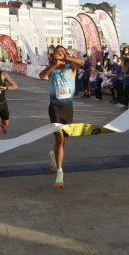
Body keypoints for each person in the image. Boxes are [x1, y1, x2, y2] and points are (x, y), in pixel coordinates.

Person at [39, 46, 84, 188]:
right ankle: (60, 171)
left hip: (68, 109)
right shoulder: (52, 69)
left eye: (62, 52)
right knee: (58, 138)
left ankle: (54, 156)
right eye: (57, 52)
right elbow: (41, 75)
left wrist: (66, 58)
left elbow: (82, 63)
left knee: (63, 141)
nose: (59, 54)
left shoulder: (71, 67)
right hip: (55, 108)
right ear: (53, 55)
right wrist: (54, 65)